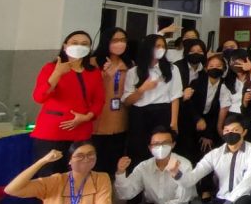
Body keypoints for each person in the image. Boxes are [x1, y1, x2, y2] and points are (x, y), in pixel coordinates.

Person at [157, 115, 251, 204]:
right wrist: (176, 173)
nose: (230, 133)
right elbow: (191, 179)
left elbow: (246, 184)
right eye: (227, 130)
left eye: (235, 130)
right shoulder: (215, 154)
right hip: (220, 200)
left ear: (244, 132)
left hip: (241, 200)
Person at [30, 31, 105, 177]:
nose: (79, 46)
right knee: (50, 175)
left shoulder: (93, 72)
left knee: (78, 174)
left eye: (84, 44)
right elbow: (39, 97)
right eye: (74, 43)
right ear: (65, 46)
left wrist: (87, 117)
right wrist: (57, 74)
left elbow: (99, 100)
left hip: (81, 130)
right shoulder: (50, 68)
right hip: (53, 131)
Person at [111, 128, 192, 204]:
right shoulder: (144, 166)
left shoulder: (184, 164)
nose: (161, 147)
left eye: (165, 143)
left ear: (173, 144)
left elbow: (183, 200)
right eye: (156, 144)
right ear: (150, 147)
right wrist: (120, 172)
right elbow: (126, 194)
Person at [122, 34, 182, 164]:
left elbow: (175, 97)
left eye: (163, 46)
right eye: (157, 46)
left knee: (161, 149)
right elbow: (127, 101)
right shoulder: (134, 72)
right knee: (138, 150)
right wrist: (142, 89)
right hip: (140, 115)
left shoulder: (172, 69)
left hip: (163, 113)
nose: (160, 49)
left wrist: (174, 122)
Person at [90, 27, 132, 177]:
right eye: (115, 40)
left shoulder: (129, 64)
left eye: (123, 40)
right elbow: (88, 90)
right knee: (96, 164)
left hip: (120, 119)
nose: (120, 44)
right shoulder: (94, 63)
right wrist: (104, 75)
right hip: (98, 121)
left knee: (114, 163)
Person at [180, 53, 225, 164]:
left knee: (207, 153)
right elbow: (189, 104)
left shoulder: (226, 86)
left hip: (212, 125)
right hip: (192, 121)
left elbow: (219, 112)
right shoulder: (196, 82)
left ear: (224, 69)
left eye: (219, 66)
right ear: (205, 68)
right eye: (211, 66)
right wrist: (198, 119)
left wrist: (208, 134)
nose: (215, 68)